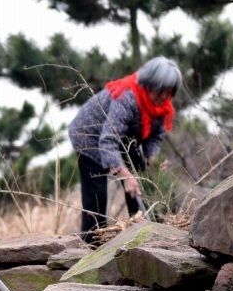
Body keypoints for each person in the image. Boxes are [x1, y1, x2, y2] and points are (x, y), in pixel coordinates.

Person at [68, 56, 183, 245]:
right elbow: (108, 140)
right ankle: (91, 246)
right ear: (149, 84)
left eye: (168, 93)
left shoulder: (163, 108)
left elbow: (155, 137)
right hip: (90, 136)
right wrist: (124, 173)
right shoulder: (128, 98)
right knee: (97, 196)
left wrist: (152, 159)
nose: (163, 98)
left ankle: (142, 233)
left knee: (139, 182)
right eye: (159, 91)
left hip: (123, 139)